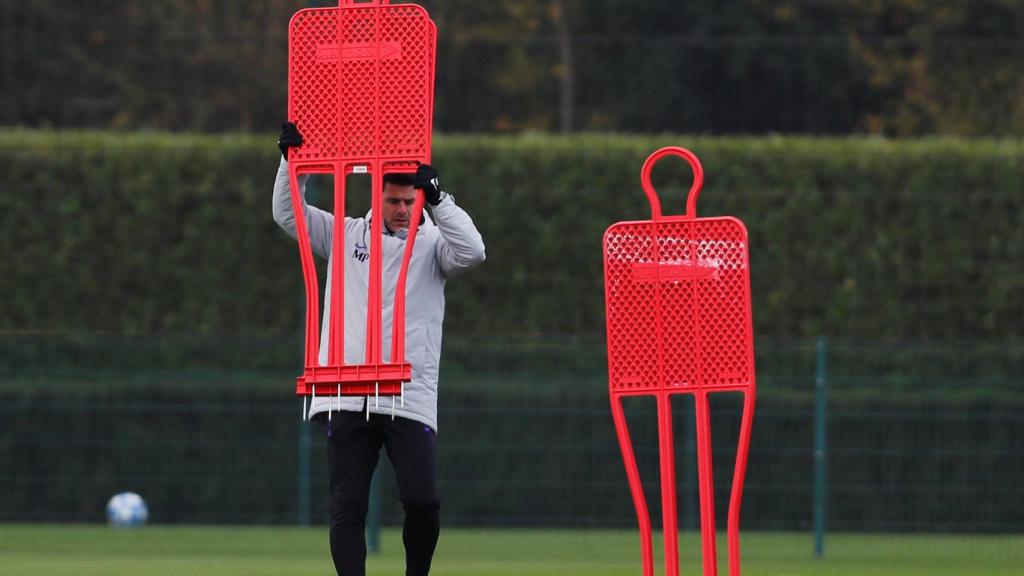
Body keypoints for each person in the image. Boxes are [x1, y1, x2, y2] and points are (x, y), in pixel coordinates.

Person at [273, 121, 486, 576]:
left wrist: (442, 199)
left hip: (409, 393)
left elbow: (473, 252)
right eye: (393, 201)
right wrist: (291, 165)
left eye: (410, 201)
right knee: (346, 506)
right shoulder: (347, 234)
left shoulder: (433, 244)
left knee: (423, 501)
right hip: (346, 389)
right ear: (377, 197)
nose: (402, 210)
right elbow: (290, 215)